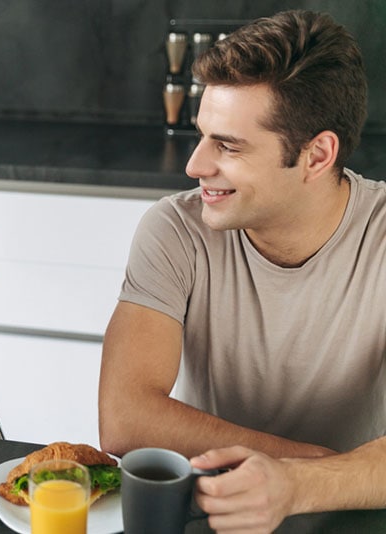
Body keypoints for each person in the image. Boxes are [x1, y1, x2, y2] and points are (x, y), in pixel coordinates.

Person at [98, 10, 386, 532]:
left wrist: (298, 485)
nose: (195, 165)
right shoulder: (175, 229)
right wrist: (315, 465)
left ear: (317, 155)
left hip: (348, 515)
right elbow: (124, 417)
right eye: (202, 134)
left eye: (228, 145)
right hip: (212, 508)